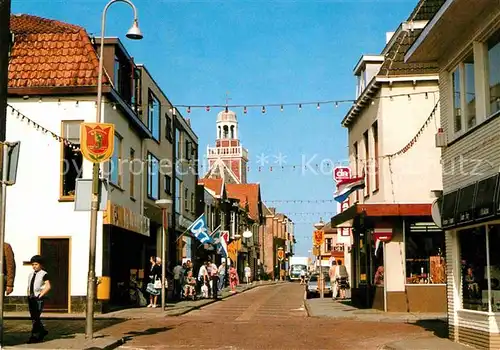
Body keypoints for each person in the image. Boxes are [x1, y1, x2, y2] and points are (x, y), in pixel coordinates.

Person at [27, 255, 51, 343]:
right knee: (34, 317)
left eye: (36, 264)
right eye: (33, 264)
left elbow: (48, 286)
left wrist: (41, 295)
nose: (34, 266)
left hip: (38, 298)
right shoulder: (31, 274)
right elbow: (29, 286)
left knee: (35, 317)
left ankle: (34, 336)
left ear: (40, 265)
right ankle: (42, 331)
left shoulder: (44, 274)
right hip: (31, 297)